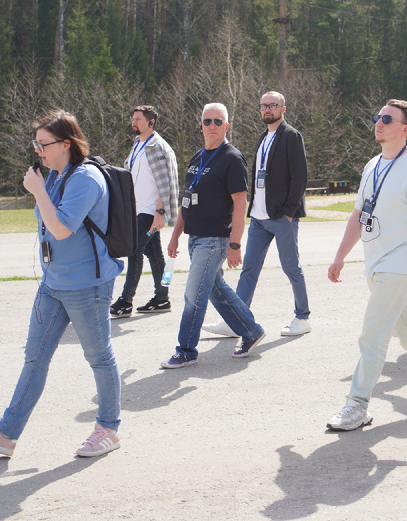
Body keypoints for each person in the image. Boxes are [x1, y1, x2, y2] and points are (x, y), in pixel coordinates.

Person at [0, 110, 123, 458]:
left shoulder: (86, 178)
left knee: (98, 358)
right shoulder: (54, 175)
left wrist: (37, 191)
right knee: (34, 357)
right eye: (36, 143)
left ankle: (108, 429)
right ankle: (6, 435)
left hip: (86, 285)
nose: (38, 150)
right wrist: (41, 188)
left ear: (67, 144)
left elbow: (62, 227)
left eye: (43, 143)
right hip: (53, 283)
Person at [326, 100, 407, 430]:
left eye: (387, 119)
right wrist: (340, 256)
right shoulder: (373, 165)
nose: (379, 122)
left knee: (372, 336)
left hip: (400, 266)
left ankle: (357, 404)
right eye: (377, 117)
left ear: (405, 129)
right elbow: (359, 215)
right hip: (376, 263)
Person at [160, 103, 266, 368]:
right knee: (216, 290)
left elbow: (241, 205)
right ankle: (251, 330)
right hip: (195, 238)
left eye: (218, 122)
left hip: (215, 239)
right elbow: (187, 200)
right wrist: (175, 237)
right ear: (201, 125)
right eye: (207, 121)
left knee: (193, 295)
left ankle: (186, 350)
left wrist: (235, 244)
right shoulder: (198, 158)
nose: (212, 126)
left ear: (227, 126)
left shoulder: (232, 158)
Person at [204, 91, 311, 338]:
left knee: (291, 268)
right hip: (259, 218)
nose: (267, 110)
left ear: (283, 108)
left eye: (272, 105)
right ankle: (236, 320)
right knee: (249, 270)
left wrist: (288, 212)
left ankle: (302, 317)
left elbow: (300, 177)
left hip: (281, 217)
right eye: (263, 106)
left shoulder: (292, 136)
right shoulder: (264, 137)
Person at [111, 105, 180, 317]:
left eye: (138, 119)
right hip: (137, 210)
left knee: (134, 250)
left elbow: (165, 180)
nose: (134, 122)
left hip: (150, 212)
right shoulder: (138, 144)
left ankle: (125, 300)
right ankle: (162, 298)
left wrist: (160, 211)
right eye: (132, 118)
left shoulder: (157, 147)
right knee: (155, 255)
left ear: (151, 122)